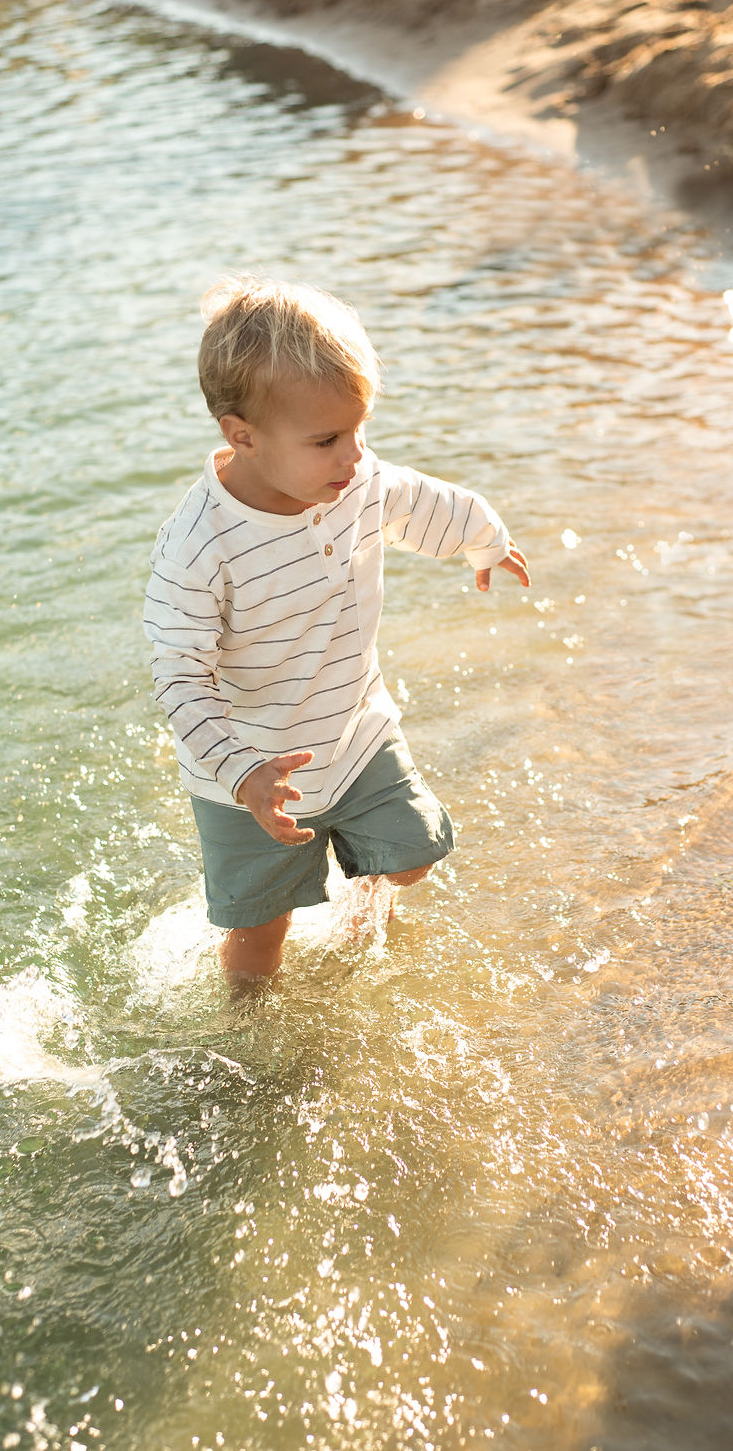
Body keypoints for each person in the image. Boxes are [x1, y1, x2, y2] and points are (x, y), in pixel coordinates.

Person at [143, 277, 529, 979]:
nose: (354, 455)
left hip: (354, 734)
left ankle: (358, 925)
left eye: (359, 430)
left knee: (411, 857)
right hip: (250, 774)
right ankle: (248, 1029)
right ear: (243, 436)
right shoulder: (199, 546)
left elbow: (418, 501)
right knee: (262, 932)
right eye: (327, 439)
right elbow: (178, 675)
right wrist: (243, 773)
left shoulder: (352, 480)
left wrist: (486, 541)